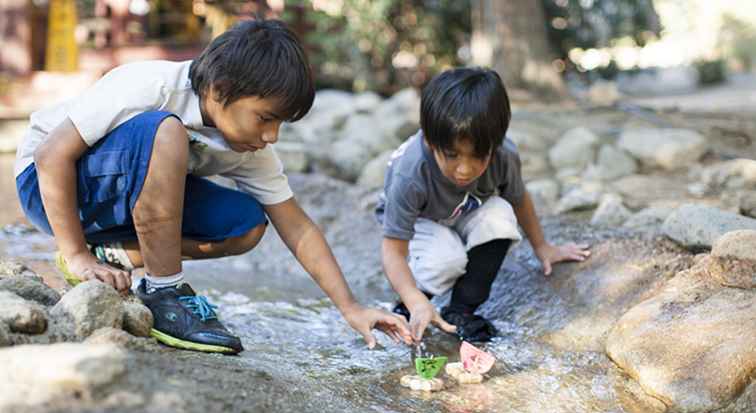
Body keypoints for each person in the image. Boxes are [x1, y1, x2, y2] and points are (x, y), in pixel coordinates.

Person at [15, 19, 411, 355]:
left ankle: (115, 254)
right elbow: (52, 156)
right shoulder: (152, 85)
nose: (271, 136)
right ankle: (163, 292)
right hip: (49, 185)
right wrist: (76, 253)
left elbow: (299, 227)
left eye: (280, 124)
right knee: (165, 132)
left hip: (113, 208)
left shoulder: (249, 147)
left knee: (247, 222)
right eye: (264, 118)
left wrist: (351, 308)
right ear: (220, 89)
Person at [376, 67, 590, 343]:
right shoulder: (410, 174)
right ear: (430, 141)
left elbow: (519, 199)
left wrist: (543, 247)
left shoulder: (504, 156)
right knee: (446, 259)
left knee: (501, 216)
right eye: (452, 155)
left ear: (495, 144)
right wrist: (414, 298)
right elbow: (393, 252)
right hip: (422, 219)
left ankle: (461, 310)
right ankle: (411, 305)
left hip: (464, 209)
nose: (465, 169)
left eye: (478, 155)